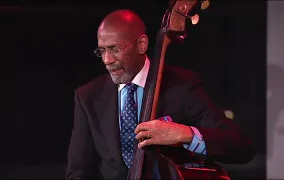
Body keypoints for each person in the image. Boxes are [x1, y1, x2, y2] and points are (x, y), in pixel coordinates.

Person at [65, 9, 255, 179]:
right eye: (102, 51)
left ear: (142, 44)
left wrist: (185, 134)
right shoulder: (88, 96)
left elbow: (241, 146)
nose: (107, 60)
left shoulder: (183, 86)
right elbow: (79, 172)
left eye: (115, 49)